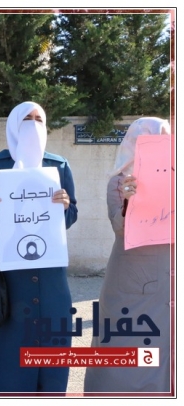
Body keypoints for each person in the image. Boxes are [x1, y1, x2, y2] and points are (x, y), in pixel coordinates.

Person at [0, 101, 78, 393]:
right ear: (13, 125)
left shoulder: (58, 165)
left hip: (48, 273)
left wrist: (65, 206)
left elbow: (71, 216)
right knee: (1, 345)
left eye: (38, 119)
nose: (33, 124)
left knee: (49, 341)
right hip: (1, 272)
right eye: (26, 119)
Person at [83, 117, 172, 393]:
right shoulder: (119, 181)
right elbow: (120, 228)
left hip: (169, 273)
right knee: (126, 342)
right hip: (131, 278)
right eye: (145, 137)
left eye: (161, 136)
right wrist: (129, 201)